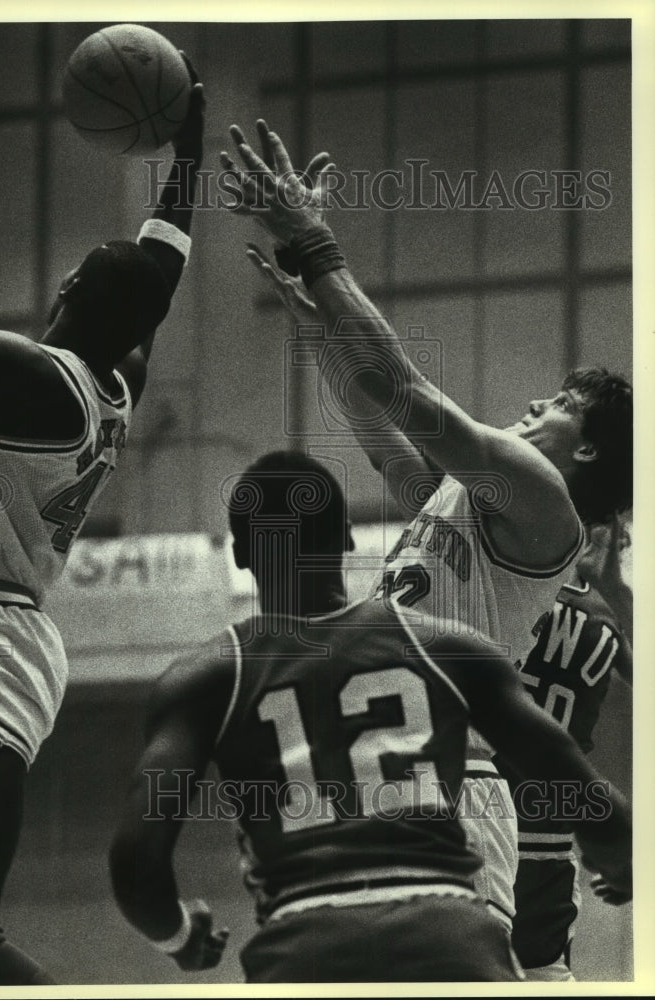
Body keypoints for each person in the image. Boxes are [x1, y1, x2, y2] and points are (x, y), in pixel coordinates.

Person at [223, 120, 633, 932]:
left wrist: (316, 244)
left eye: (554, 406)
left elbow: (403, 389)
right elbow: (382, 434)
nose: (531, 408)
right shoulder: (474, 507)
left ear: (584, 447)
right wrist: (320, 334)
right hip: (399, 764)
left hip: (458, 775)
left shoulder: (541, 499)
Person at [0, 62, 204, 985]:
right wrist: (188, 142)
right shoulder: (113, 381)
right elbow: (162, 266)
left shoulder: (30, 373)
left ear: (64, 292)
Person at [108, 451, 631, 983]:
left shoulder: (203, 678)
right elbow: (585, 793)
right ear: (346, 538)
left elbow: (135, 863)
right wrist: (619, 854)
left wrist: (177, 934)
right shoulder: (444, 647)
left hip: (307, 945)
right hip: (447, 935)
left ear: (241, 553)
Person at [499, 528, 633, 981]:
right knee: (545, 974)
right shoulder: (605, 616)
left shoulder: (501, 586)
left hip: (481, 815)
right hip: (550, 838)